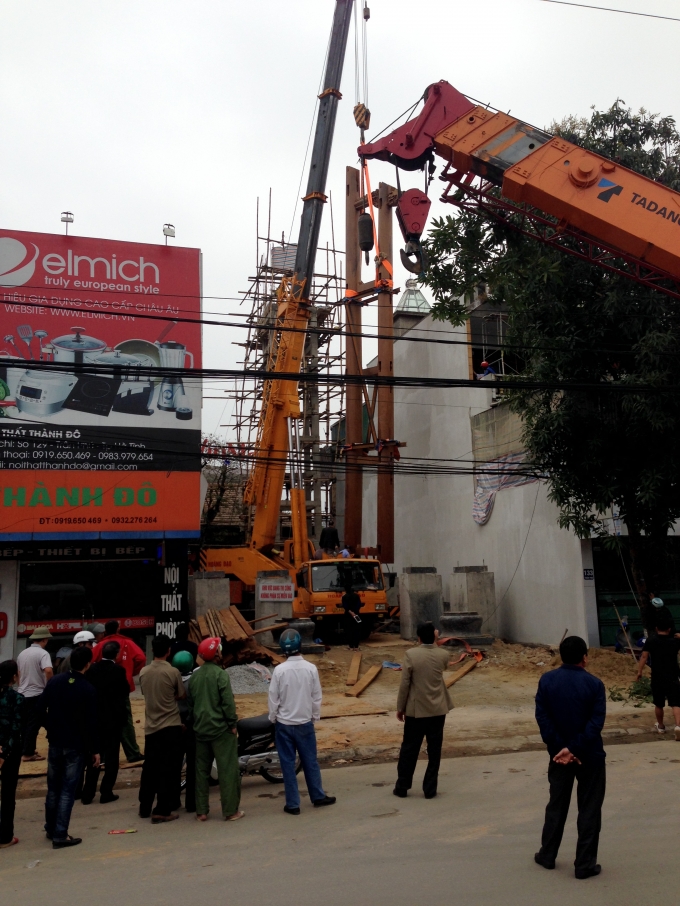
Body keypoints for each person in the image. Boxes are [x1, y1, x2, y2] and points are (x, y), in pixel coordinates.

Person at [534, 635, 606, 880]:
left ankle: (547, 854)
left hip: (558, 756)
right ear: (584, 658)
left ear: (561, 656)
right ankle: (584, 864)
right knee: (589, 809)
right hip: (590, 755)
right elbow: (595, 723)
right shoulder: (594, 684)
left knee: (557, 804)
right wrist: (574, 749)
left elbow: (543, 718)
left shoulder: (547, 681)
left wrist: (561, 748)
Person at [36, 646, 100, 849]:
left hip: (55, 742)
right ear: (88, 664)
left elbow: (39, 709)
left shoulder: (55, 681)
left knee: (53, 788)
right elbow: (91, 723)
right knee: (67, 791)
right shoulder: (88, 689)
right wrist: (94, 750)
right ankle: (60, 833)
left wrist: (50, 726)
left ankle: (51, 827)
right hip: (75, 745)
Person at [267, 628, 335, 815]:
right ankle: (318, 796)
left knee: (288, 764)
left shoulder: (279, 670)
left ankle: (293, 804)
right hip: (304, 723)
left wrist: (273, 718)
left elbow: (273, 698)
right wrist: (314, 717)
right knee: (310, 761)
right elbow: (316, 697)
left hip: (284, 724)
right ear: (300, 645)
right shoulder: (311, 668)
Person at [393, 621, 453, 800]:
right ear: (434, 635)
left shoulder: (411, 654)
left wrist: (400, 707)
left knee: (409, 749)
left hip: (416, 710)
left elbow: (405, 684)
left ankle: (402, 786)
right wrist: (435, 640)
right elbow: (439, 661)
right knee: (434, 750)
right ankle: (430, 789)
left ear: (418, 637)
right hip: (438, 709)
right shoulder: (443, 654)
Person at [187, 637, 243, 822]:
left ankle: (201, 812)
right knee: (227, 770)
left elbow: (191, 705)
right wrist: (232, 724)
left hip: (200, 730)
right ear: (216, 653)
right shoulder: (221, 675)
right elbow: (228, 703)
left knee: (201, 771)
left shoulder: (195, 676)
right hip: (221, 730)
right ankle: (231, 811)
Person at [138, 634, 185, 823]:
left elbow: (145, 693)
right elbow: (181, 695)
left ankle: (144, 806)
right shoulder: (173, 672)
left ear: (152, 650)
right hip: (170, 726)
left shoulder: (144, 672)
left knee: (149, 768)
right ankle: (162, 809)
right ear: (169, 651)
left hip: (151, 727)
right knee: (169, 769)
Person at [81, 640, 130, 805]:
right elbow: (124, 691)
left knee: (94, 756)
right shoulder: (119, 670)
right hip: (113, 720)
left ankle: (88, 793)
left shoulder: (92, 669)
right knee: (112, 758)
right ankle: (106, 791)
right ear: (117, 654)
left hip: (95, 719)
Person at [92, 620, 146, 763]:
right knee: (125, 720)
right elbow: (141, 658)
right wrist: (131, 672)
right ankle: (132, 753)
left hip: (102, 688)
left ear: (105, 631)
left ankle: (103, 756)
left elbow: (90, 660)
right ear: (118, 629)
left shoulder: (100, 645)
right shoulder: (128, 643)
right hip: (122, 687)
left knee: (103, 719)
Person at [636, 609, 680, 739]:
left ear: (656, 628)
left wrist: (639, 671)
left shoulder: (651, 641)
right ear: (669, 629)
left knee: (659, 703)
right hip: (673, 675)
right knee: (676, 703)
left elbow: (644, 657)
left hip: (657, 676)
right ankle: (678, 726)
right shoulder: (675, 641)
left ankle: (660, 726)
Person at [17, 626, 53, 762]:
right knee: (34, 723)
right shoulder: (43, 654)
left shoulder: (23, 653)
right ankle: (27, 753)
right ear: (44, 640)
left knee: (26, 723)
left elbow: (18, 673)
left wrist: (21, 686)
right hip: (37, 694)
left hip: (23, 693)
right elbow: (48, 670)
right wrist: (50, 686)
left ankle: (27, 748)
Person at [0, 660, 23, 848]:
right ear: (14, 677)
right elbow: (16, 729)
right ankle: (5, 836)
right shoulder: (17, 698)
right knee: (8, 794)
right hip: (9, 752)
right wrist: (4, 754)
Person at [173, 650, 196, 813]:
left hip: (175, 725)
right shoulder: (193, 682)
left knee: (175, 764)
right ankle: (192, 803)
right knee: (193, 765)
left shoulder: (172, 681)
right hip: (191, 726)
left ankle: (174, 800)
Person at [341, 584, 362, 651]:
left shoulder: (344, 597)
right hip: (357, 615)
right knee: (357, 630)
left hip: (348, 615)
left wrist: (351, 612)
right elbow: (359, 605)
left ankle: (351, 646)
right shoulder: (357, 596)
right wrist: (355, 612)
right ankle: (356, 647)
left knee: (349, 630)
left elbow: (345, 606)